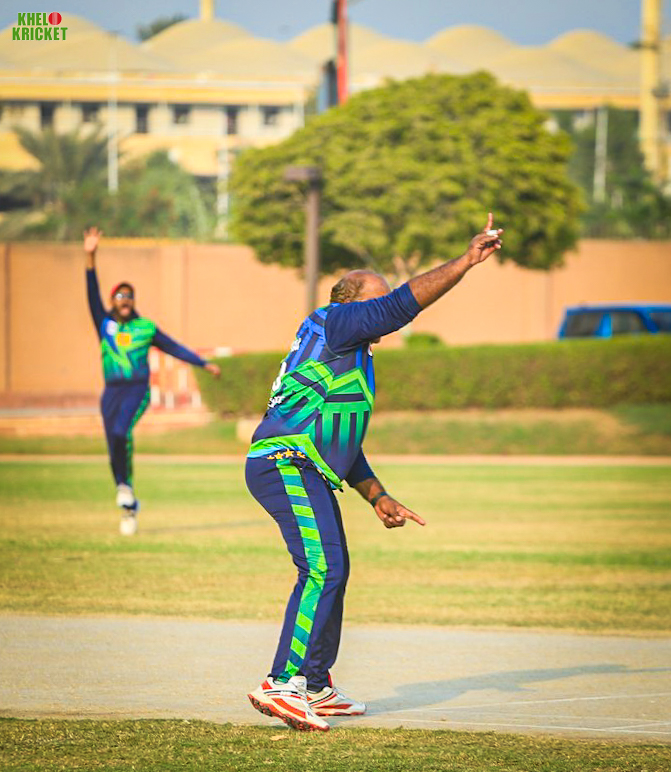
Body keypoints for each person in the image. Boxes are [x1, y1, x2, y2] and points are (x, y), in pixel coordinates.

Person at [245, 214, 503, 731]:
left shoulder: (351, 355)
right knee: (323, 569)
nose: (386, 310)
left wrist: (377, 494)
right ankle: (282, 683)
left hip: (305, 464)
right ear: (350, 303)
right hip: (283, 461)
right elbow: (400, 305)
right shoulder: (334, 321)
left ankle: (314, 685)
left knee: (334, 569)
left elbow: (341, 439)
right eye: (376, 300)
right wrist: (465, 262)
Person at [84, 226, 221, 536]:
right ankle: (127, 496)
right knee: (113, 445)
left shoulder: (145, 327)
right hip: (111, 392)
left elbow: (173, 347)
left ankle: (125, 489)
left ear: (134, 300)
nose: (125, 300)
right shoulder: (104, 323)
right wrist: (90, 257)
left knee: (121, 432)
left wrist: (203, 363)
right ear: (113, 300)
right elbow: (91, 293)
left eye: (129, 296)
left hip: (137, 390)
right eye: (120, 296)